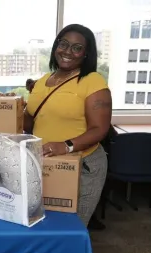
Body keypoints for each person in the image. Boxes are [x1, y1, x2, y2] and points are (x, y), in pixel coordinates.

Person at [24, 24, 112, 227]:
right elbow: (32, 121)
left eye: (77, 47)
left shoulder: (92, 81)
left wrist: (65, 145)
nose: (67, 52)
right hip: (44, 165)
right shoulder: (43, 81)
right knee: (41, 223)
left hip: (81, 166)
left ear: (86, 53)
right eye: (63, 44)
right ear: (56, 46)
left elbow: (100, 129)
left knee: (71, 228)